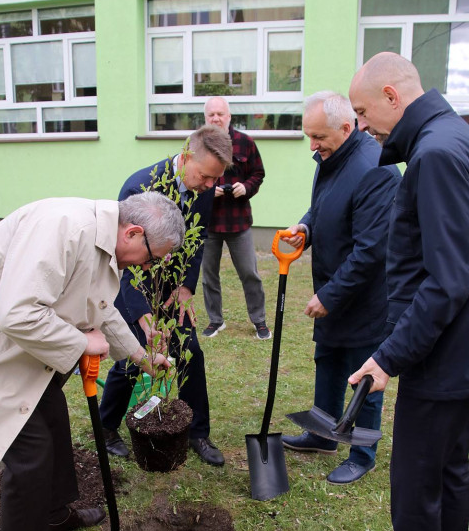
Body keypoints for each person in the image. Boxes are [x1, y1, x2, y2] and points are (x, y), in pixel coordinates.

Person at [0, 192, 185, 531]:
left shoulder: (99, 241)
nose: (147, 266)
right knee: (30, 448)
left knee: (52, 416)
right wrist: (81, 344)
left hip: (17, 349)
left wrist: (139, 355)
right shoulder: (63, 227)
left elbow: (101, 308)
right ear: (133, 232)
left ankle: (52, 513)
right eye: (151, 258)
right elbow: (16, 312)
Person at [334, 52, 469, 531]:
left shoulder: (436, 154)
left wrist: (388, 357)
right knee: (453, 465)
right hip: (460, 350)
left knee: (417, 475)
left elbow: (447, 279)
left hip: (442, 352)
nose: (362, 127)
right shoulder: (453, 135)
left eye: (363, 112)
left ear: (392, 96)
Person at [281, 91, 400, 484]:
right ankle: (322, 435)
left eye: (318, 137)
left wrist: (329, 296)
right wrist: (306, 228)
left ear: (346, 128)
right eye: (308, 136)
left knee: (362, 374)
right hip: (335, 285)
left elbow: (371, 250)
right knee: (327, 361)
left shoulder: (375, 169)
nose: (312, 146)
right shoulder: (331, 158)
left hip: (365, 296)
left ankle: (362, 454)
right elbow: (323, 206)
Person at [99, 125, 233, 466]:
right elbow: (124, 256)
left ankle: (197, 434)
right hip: (137, 286)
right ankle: (106, 427)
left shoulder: (203, 188)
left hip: (173, 292)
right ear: (186, 156)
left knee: (190, 353)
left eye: (214, 180)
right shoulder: (140, 186)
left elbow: (197, 240)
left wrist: (186, 286)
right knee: (132, 357)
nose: (208, 186)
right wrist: (142, 312)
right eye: (205, 177)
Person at [201, 96, 271, 341]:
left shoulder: (245, 143)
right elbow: (187, 177)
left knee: (249, 273)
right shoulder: (197, 144)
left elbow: (258, 173)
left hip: (238, 221)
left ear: (229, 116)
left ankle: (259, 320)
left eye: (220, 114)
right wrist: (210, 191)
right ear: (205, 118)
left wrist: (246, 187)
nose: (216, 118)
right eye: (211, 114)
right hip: (208, 222)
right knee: (209, 275)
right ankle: (215, 320)